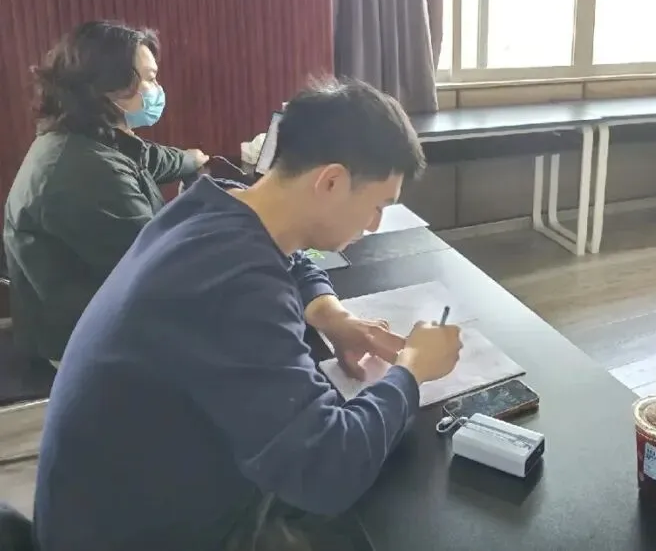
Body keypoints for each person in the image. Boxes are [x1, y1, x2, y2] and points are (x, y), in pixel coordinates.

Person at [32, 78, 463, 551]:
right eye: (378, 205)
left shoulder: (214, 204)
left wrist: (331, 315)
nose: (375, 224)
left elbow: (292, 258)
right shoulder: (234, 282)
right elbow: (326, 470)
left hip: (109, 503)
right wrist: (412, 371)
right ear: (331, 182)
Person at [3, 21, 209, 365]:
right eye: (150, 78)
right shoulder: (88, 172)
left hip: (88, 315)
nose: (157, 89)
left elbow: (146, 159)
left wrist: (191, 159)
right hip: (82, 344)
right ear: (108, 86)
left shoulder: (84, 137)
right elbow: (160, 270)